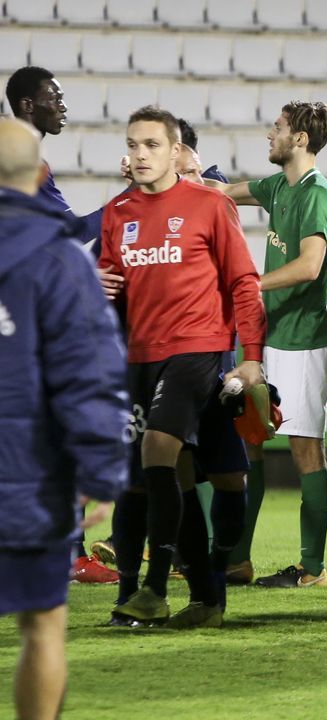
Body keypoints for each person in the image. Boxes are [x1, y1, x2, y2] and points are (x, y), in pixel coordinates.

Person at [97, 106, 266, 628]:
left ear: (176, 151)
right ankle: (206, 595)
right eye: (133, 145)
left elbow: (243, 282)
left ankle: (152, 587)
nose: (140, 154)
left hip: (198, 350)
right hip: (139, 355)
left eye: (151, 144)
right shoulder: (117, 213)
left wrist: (253, 359)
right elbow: (110, 288)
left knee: (161, 450)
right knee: (170, 478)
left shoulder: (208, 207)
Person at [0, 116, 129, 720]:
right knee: (42, 628)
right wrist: (100, 477)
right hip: (32, 483)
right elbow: (91, 379)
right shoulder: (62, 263)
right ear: (39, 175)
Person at [207, 101, 327, 589]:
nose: (270, 133)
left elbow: (309, 267)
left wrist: (249, 285)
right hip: (271, 336)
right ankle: (237, 559)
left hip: (305, 338)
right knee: (250, 444)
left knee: (307, 451)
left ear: (301, 139)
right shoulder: (278, 187)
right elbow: (221, 192)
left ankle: (312, 568)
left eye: (279, 128)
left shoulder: (317, 195)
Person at [4, 66, 105, 247]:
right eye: (55, 99)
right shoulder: (24, 164)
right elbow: (75, 232)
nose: (63, 107)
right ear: (28, 105)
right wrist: (128, 198)